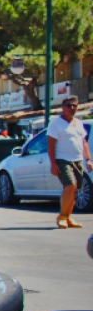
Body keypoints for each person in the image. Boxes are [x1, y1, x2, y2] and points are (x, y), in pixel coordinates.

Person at [48, 96, 91, 229]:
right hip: (62, 159)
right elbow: (51, 145)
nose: (72, 108)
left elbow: (84, 142)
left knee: (75, 190)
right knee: (70, 185)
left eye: (74, 106)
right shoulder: (55, 124)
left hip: (77, 159)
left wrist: (88, 159)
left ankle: (68, 217)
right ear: (63, 107)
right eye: (69, 105)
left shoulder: (78, 123)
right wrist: (53, 164)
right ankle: (62, 216)